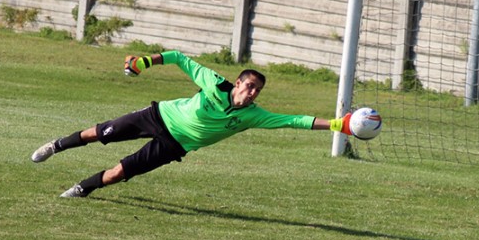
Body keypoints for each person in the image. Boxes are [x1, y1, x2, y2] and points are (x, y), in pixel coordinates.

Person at [30, 50, 356, 198]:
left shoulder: (253, 116)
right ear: (238, 83)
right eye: (249, 85)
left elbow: (294, 121)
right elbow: (179, 58)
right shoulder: (214, 83)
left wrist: (335, 125)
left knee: (119, 172)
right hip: (158, 116)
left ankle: (80, 190)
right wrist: (145, 62)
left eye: (257, 89)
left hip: (175, 145)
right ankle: (56, 146)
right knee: (98, 133)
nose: (252, 92)